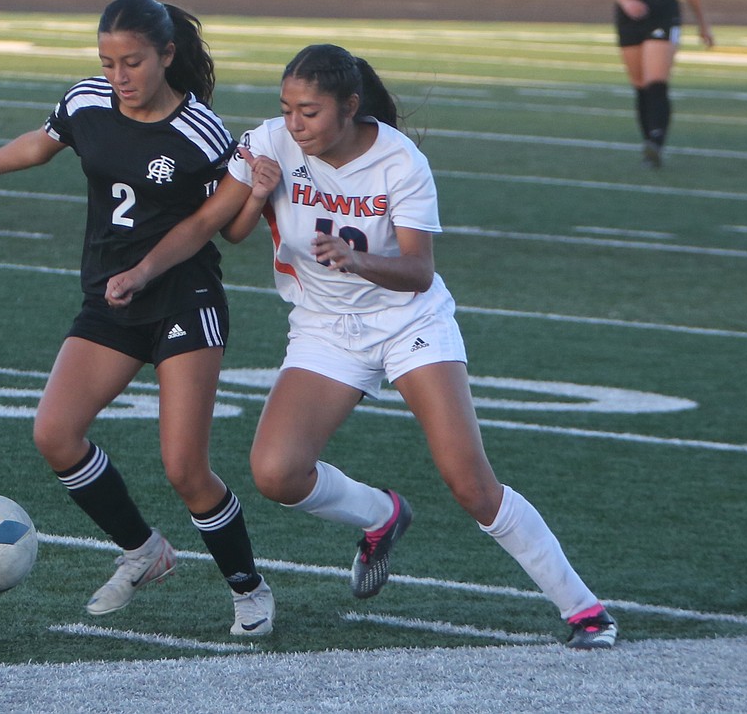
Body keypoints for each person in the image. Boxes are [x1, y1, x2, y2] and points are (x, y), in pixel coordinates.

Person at [106, 43, 617, 649]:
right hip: (324, 327)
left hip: (408, 322)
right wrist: (147, 267)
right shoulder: (271, 141)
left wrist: (358, 260)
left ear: (350, 107)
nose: (295, 124)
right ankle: (381, 516)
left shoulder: (401, 162)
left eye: (310, 112)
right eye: (287, 109)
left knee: (469, 483)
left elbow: (419, 271)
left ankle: (584, 609)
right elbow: (220, 228)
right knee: (277, 472)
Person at [0, 0, 273, 636]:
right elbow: (45, 141)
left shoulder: (202, 132)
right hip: (111, 299)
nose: (119, 76)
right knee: (55, 434)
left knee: (185, 469)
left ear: (167, 56)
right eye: (109, 61)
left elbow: (212, 226)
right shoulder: (88, 100)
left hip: (182, 300)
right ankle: (144, 551)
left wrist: (145, 271)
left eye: (134, 62)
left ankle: (249, 588)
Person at [601, 0, 714, 168]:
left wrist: (703, 24)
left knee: (656, 82)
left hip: (662, 15)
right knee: (640, 85)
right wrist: (626, 2)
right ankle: (648, 143)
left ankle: (656, 141)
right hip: (629, 18)